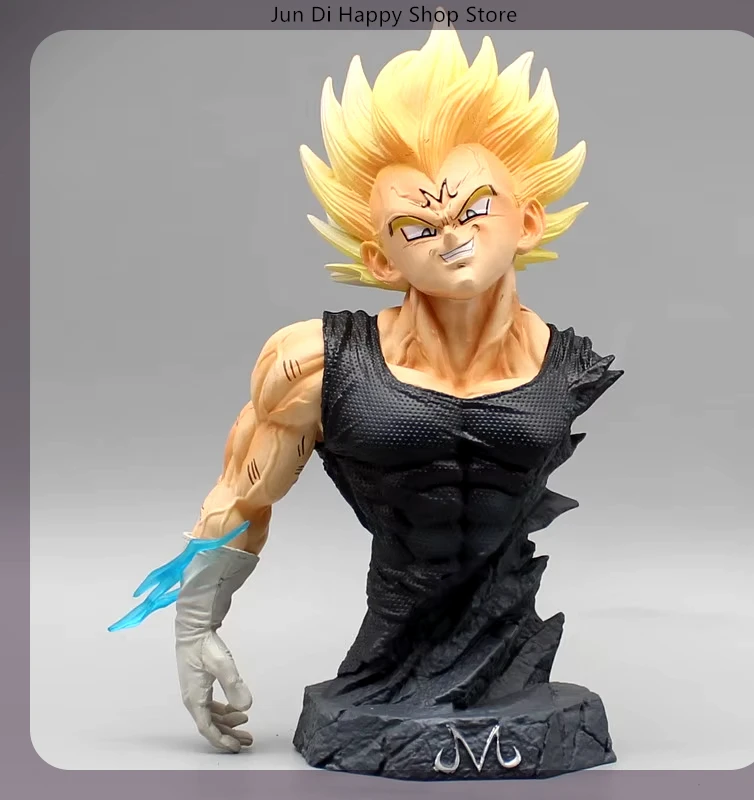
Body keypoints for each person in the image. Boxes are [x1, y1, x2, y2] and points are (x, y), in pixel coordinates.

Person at [116, 27, 623, 775]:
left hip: (510, 647)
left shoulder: (566, 364)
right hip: (381, 660)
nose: (451, 236)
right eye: (419, 225)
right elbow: (244, 494)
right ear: (381, 259)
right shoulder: (316, 362)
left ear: (529, 220)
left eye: (476, 208)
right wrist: (195, 627)